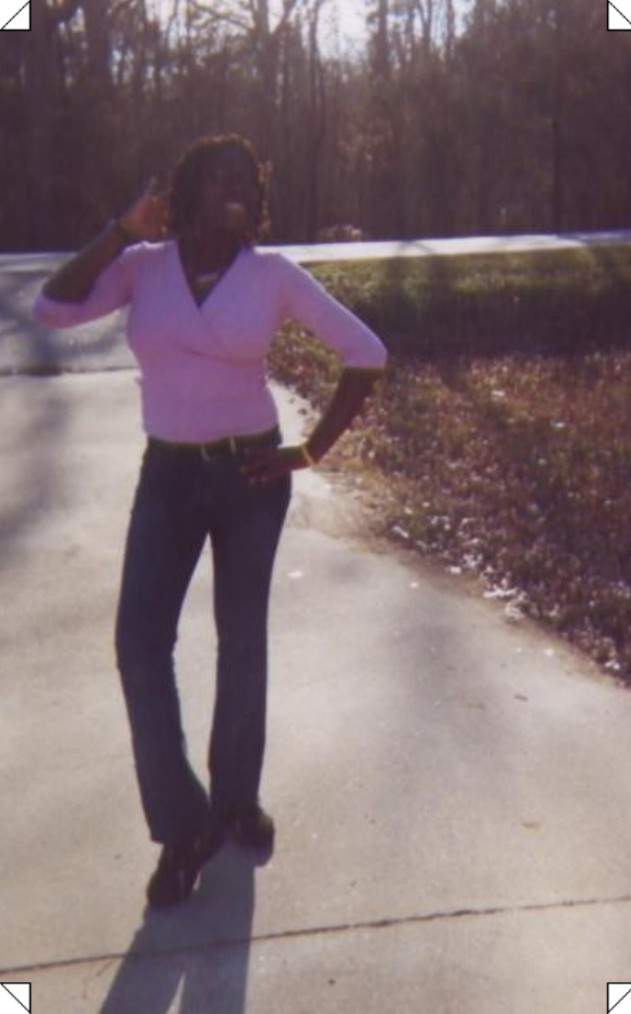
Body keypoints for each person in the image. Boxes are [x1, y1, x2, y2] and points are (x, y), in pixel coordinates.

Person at [32, 133, 388, 909]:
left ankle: (236, 804)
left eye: (248, 181)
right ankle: (183, 825)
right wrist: (120, 231)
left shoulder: (272, 276)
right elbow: (51, 309)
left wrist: (310, 451)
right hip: (166, 475)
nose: (237, 190)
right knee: (138, 644)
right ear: (187, 190)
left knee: (241, 639)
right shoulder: (143, 267)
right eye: (220, 177)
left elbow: (366, 353)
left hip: (250, 478)